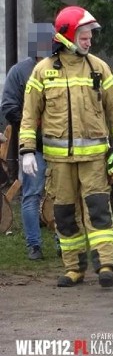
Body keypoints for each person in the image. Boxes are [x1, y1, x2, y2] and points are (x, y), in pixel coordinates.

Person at [19, 6, 113, 288]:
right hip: (59, 163)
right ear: (68, 36)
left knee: (98, 211)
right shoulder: (43, 71)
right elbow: (29, 114)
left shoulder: (99, 68)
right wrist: (26, 150)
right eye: (84, 36)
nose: (89, 41)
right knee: (65, 216)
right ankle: (73, 269)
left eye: (90, 36)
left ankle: (105, 265)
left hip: (95, 158)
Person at [1, 23, 55, 260]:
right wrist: (30, 124)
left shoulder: (61, 68)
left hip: (60, 145)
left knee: (62, 195)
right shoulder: (19, 72)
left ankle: (64, 243)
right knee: (32, 194)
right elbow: (8, 105)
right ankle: (34, 244)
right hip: (32, 146)